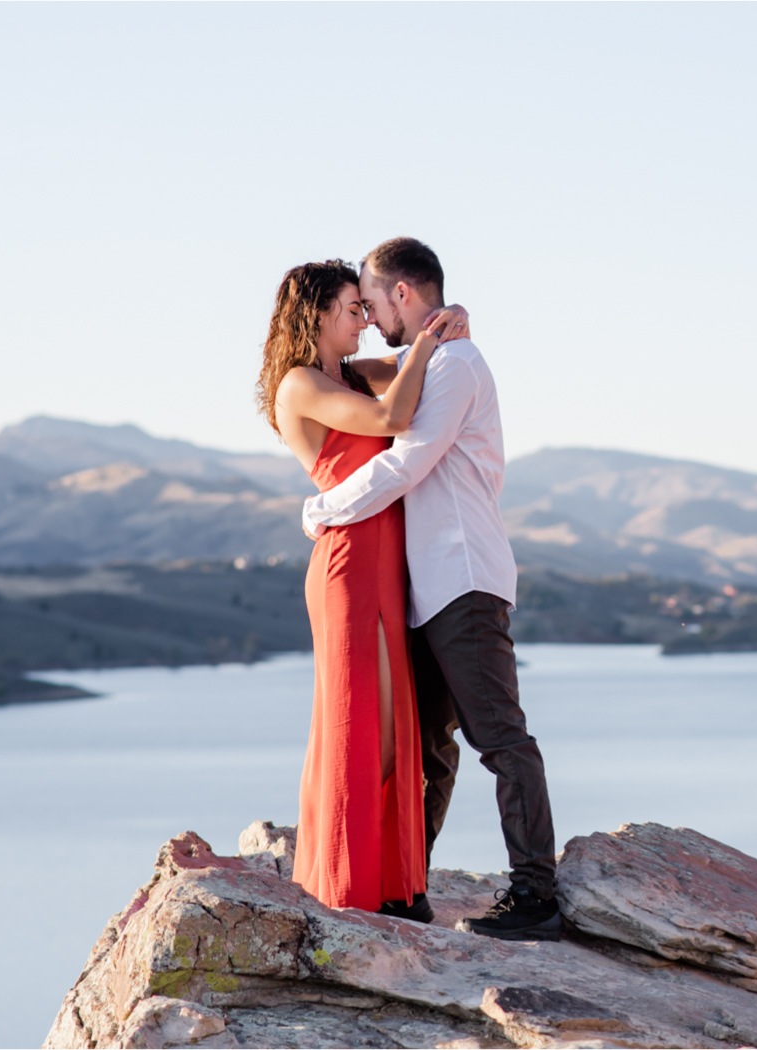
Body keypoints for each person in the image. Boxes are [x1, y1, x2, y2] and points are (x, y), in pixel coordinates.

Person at [302, 237, 561, 942]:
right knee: (430, 750)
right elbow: (359, 385)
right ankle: (407, 888)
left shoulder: (456, 365)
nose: (368, 317)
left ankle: (536, 896)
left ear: (403, 293)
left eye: (371, 302)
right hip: (432, 587)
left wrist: (321, 511)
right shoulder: (432, 359)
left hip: (465, 578)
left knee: (500, 738)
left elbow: (408, 463)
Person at [255, 258, 467, 922]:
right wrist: (427, 339)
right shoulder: (299, 384)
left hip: (387, 566)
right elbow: (392, 414)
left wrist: (448, 322)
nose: (365, 322)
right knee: (364, 733)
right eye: (354, 309)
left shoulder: (351, 374)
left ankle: (388, 883)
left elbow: (419, 371)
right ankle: (350, 890)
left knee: (394, 729)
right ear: (317, 313)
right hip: (349, 566)